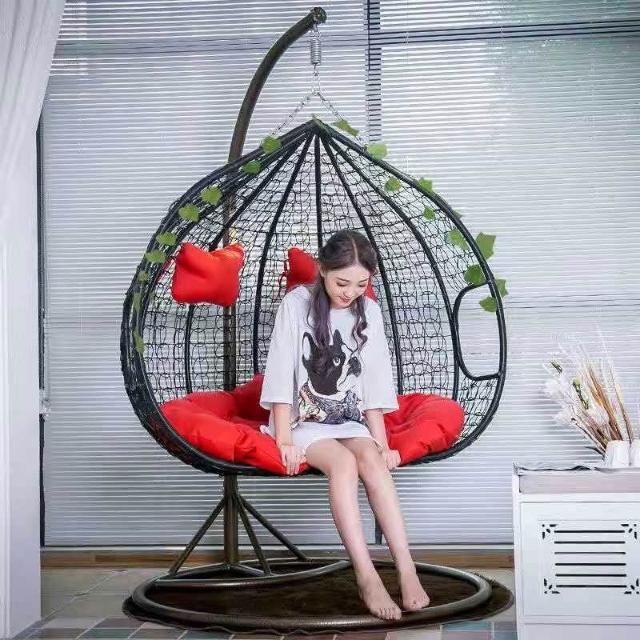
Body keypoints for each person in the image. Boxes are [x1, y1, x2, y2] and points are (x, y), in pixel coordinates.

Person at [258, 229, 430, 620]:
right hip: (305, 421)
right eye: (341, 283)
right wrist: (283, 439)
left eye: (361, 284)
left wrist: (382, 443)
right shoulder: (296, 304)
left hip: (349, 419)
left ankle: (406, 568)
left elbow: (375, 381)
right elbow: (282, 372)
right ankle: (366, 575)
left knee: (371, 460)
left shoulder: (368, 311)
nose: (350, 292)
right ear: (322, 269)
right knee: (344, 464)